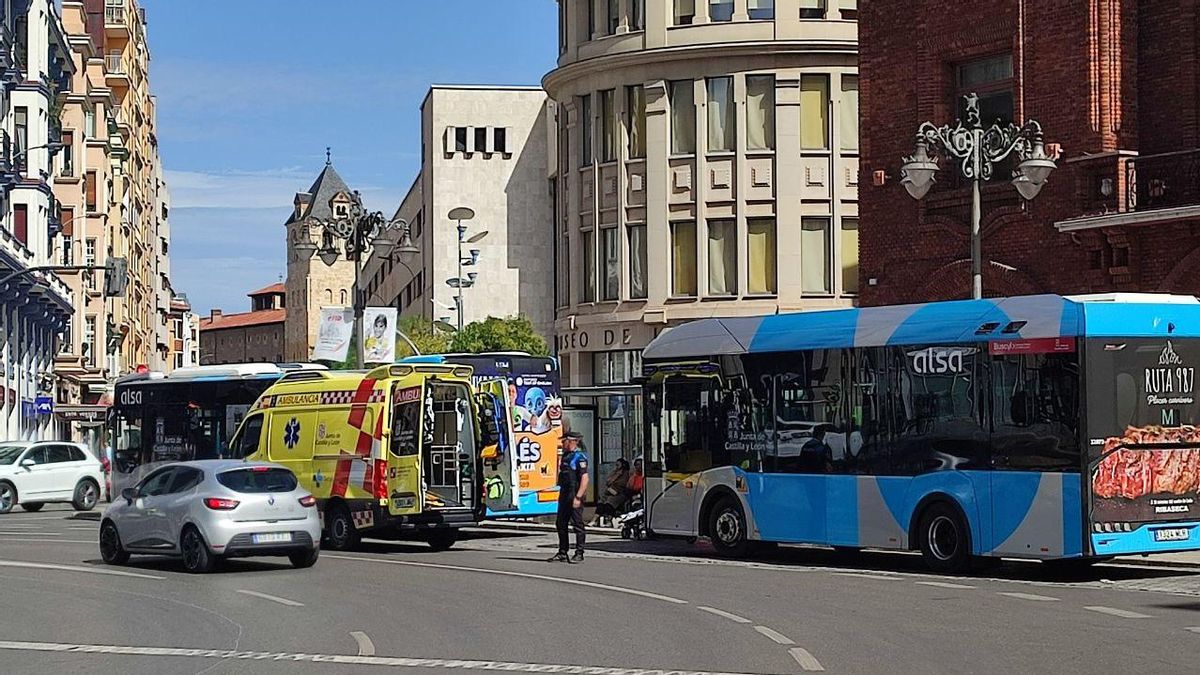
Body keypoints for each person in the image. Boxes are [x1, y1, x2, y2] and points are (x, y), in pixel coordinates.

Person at [548, 430, 589, 563]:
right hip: (564, 493)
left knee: (577, 524)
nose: (562, 443)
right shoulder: (565, 456)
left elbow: (585, 479)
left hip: (574, 493)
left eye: (564, 441)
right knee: (561, 523)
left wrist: (578, 497)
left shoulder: (579, 457)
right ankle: (562, 552)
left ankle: (579, 552)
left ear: (572, 442)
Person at [591, 458, 631, 526]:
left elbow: (622, 484)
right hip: (610, 491)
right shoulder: (614, 472)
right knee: (601, 502)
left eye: (618, 465)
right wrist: (616, 475)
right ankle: (594, 520)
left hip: (619, 493)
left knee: (609, 502)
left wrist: (616, 479)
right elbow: (608, 481)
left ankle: (609, 520)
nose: (616, 467)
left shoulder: (626, 474)